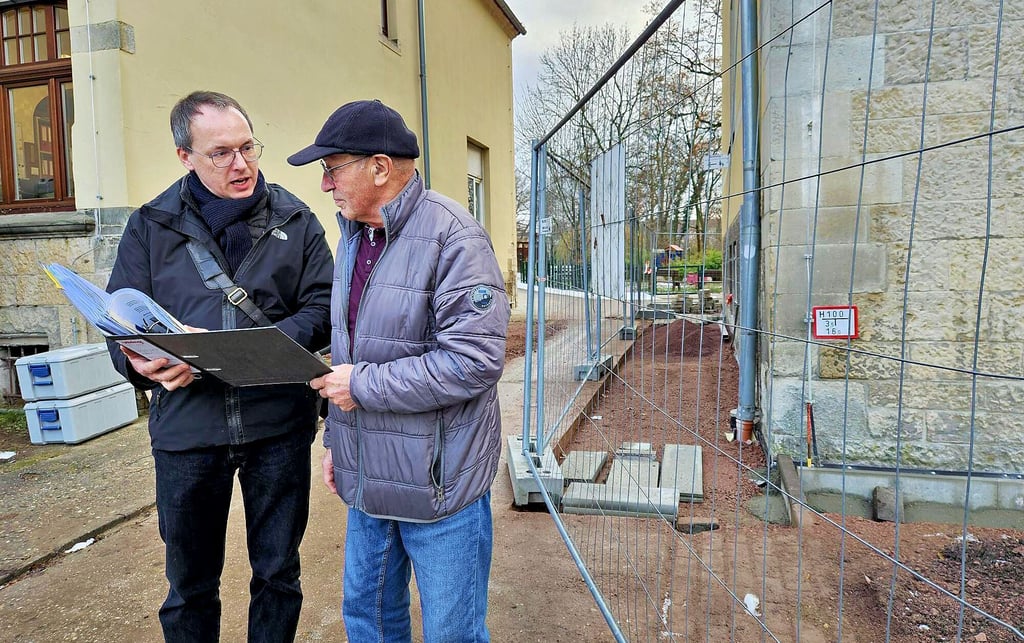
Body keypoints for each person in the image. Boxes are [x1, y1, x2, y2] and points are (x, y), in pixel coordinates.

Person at [106, 90, 334, 642]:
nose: (241, 164)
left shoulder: (295, 219)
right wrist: (141, 363)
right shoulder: (150, 225)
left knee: (278, 573)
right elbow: (118, 321)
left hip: (277, 424)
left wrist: (267, 343)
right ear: (185, 155)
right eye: (221, 153)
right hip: (188, 428)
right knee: (189, 585)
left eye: (248, 148)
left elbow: (326, 306)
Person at [288, 99, 509, 642]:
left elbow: (473, 362)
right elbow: (353, 348)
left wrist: (359, 387)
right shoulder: (354, 236)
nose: (324, 184)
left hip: (439, 489)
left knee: (452, 634)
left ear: (380, 167)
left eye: (332, 168)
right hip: (369, 484)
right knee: (368, 622)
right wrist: (338, 443)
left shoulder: (454, 237)